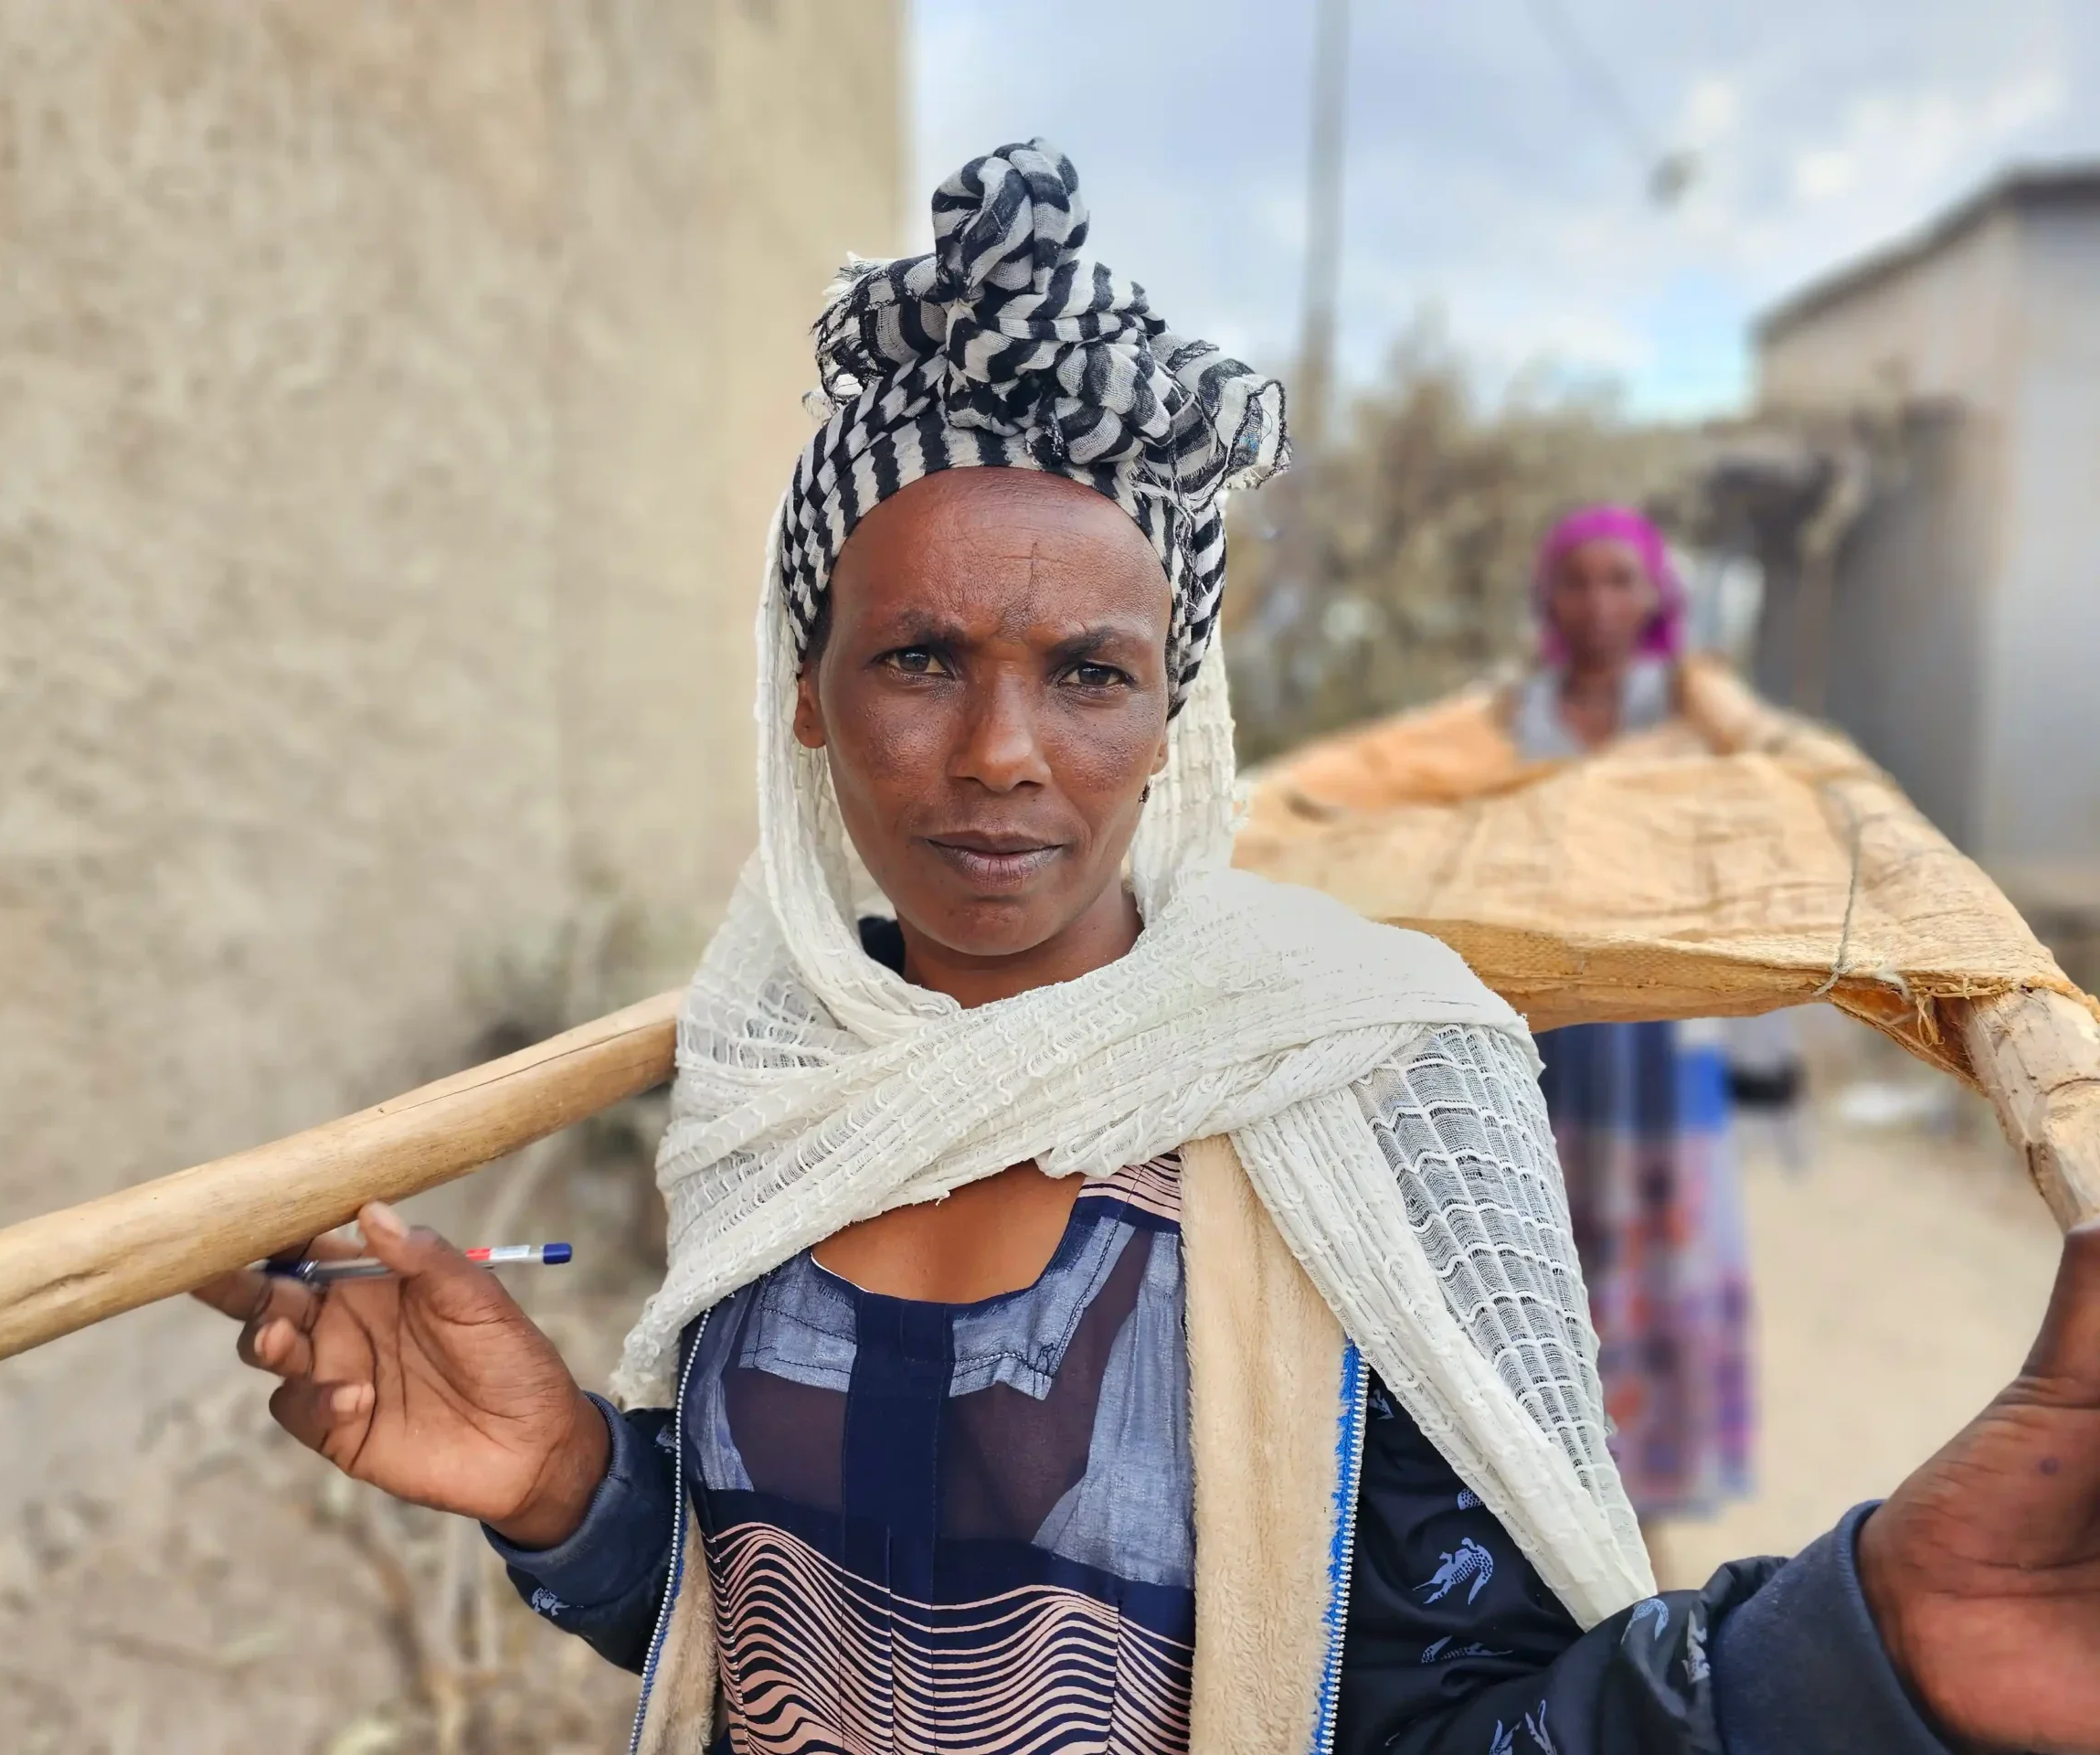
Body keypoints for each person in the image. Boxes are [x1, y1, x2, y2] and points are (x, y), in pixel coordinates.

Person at [199, 143, 2100, 1754]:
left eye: (1088, 674)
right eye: (918, 658)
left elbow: (1491, 1718)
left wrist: (1863, 1641)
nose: (1000, 753)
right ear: (809, 699)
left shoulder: (1358, 1079)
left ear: (1170, 719)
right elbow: (774, 1644)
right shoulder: (777, 1065)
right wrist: (569, 1490)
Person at [1512, 508, 1759, 1571]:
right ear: (1548, 597)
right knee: (1541, 1272)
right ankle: (1548, 1536)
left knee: (1652, 1277)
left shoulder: (1694, 716)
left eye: (1621, 579)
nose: (1599, 603)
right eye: (1577, 579)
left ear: (1656, 593)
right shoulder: (1519, 721)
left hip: (1660, 1059)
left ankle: (1644, 1557)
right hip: (1547, 1051)